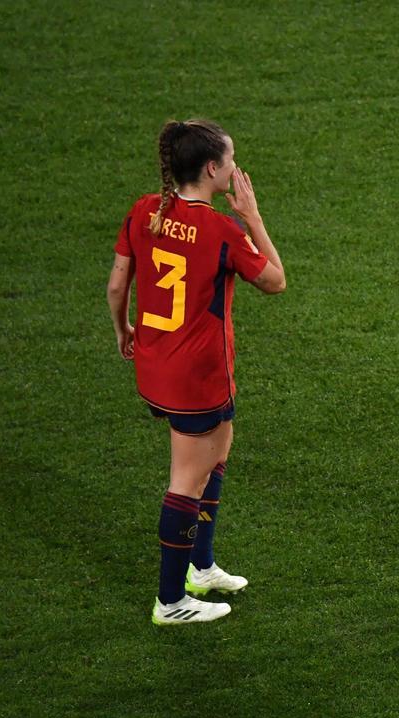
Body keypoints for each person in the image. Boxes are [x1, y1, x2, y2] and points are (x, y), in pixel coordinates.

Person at [106, 119, 286, 625]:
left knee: (218, 450)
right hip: (197, 380)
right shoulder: (221, 230)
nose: (235, 167)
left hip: (156, 368)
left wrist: (123, 331)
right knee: (186, 479)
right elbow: (275, 281)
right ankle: (171, 601)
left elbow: (119, 285)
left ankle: (200, 566)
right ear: (211, 169)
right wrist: (252, 217)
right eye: (230, 160)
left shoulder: (146, 211)